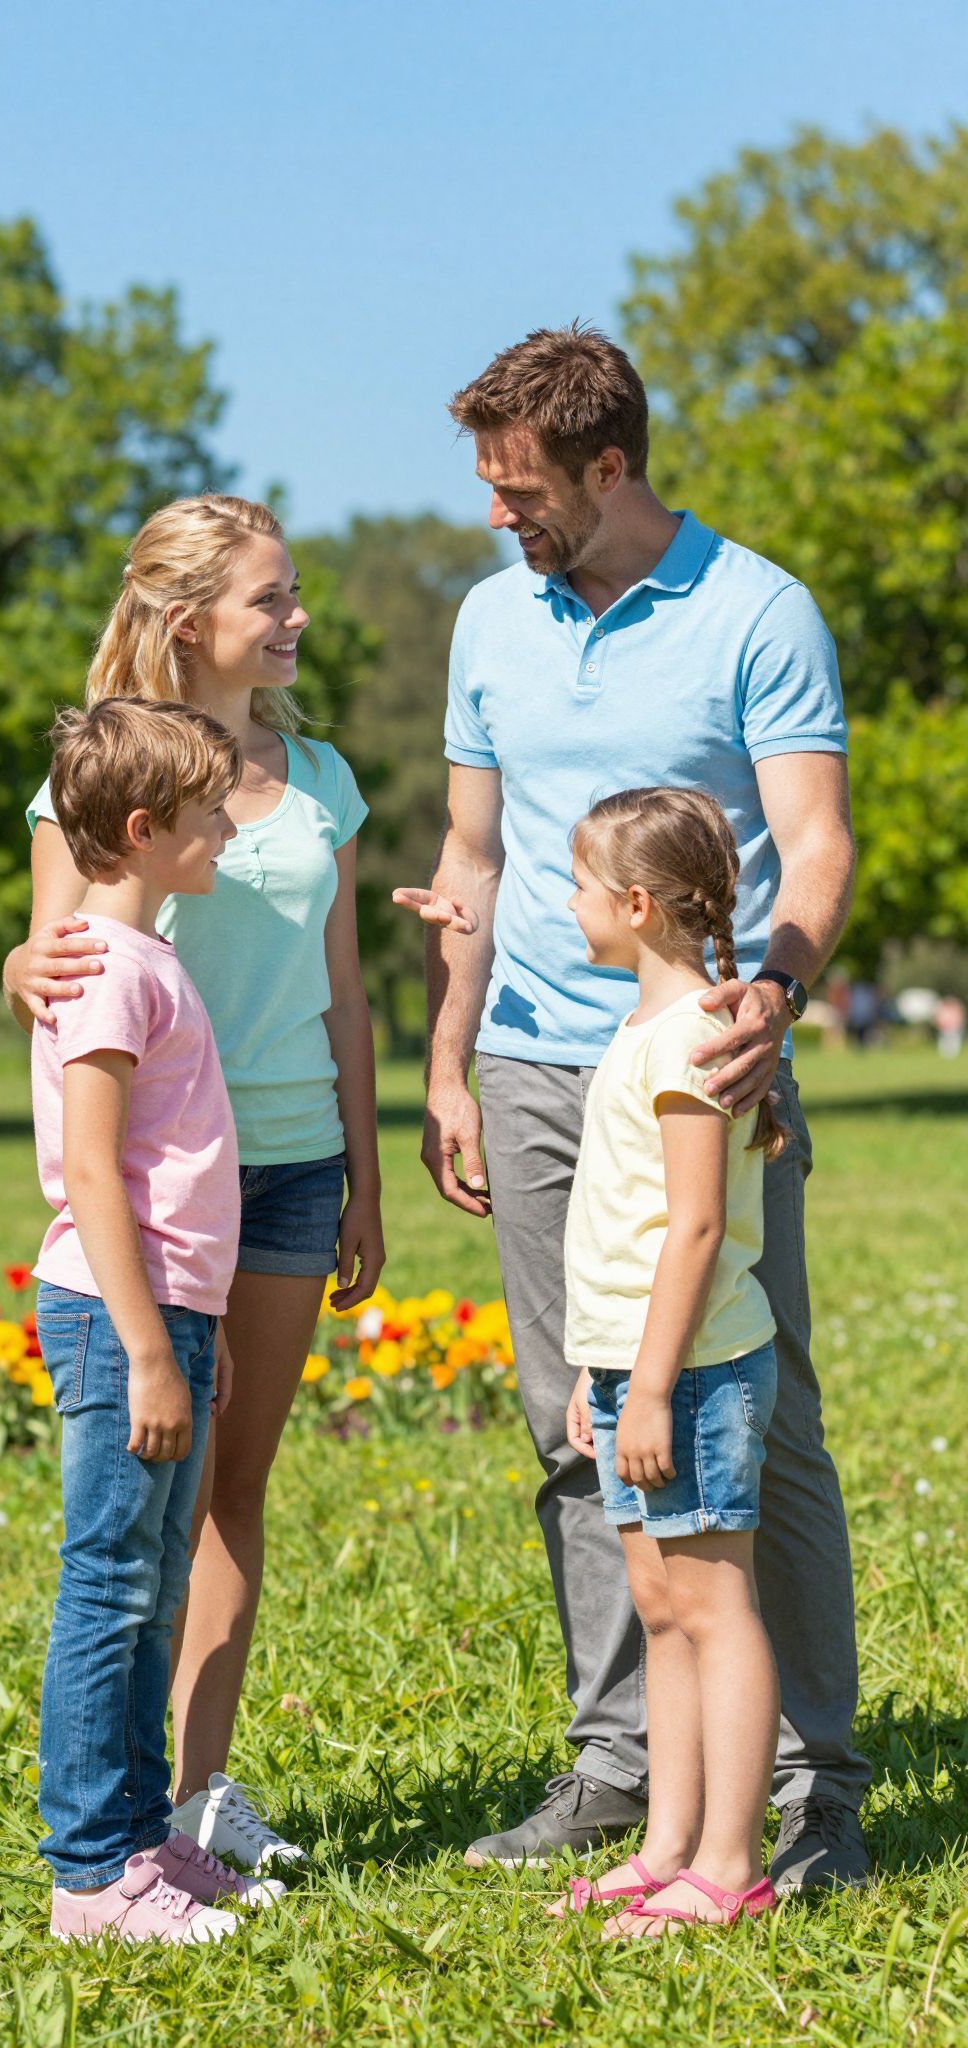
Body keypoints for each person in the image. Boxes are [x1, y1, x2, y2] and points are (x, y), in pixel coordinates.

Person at [395, 323, 871, 1891]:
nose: (496, 515)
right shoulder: (490, 620)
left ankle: (810, 1780)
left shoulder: (757, 609)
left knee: (757, 1409)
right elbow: (474, 863)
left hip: (700, 1065)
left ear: (612, 466)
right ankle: (624, 1765)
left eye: (521, 487)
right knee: (575, 1424)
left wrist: (772, 1000)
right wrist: (450, 1057)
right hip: (537, 1066)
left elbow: (813, 846)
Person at [4, 496, 383, 1872]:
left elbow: (344, 993)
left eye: (294, 597)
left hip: (289, 1172)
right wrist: (7, 968)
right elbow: (63, 953)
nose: (296, 620)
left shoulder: (324, 776)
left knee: (234, 1485)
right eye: (272, 600)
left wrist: (365, 1175)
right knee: (142, 1507)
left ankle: (196, 1794)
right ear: (189, 623)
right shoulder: (108, 770)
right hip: (164, 1186)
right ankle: (115, 1828)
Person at [33, 695, 285, 1944]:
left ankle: (141, 1846)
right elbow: (92, 1173)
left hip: (165, 1316)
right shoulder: (108, 969)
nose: (227, 833)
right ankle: (91, 1875)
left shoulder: (139, 956)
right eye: (207, 817)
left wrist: (198, 1326)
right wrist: (146, 1346)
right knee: (114, 1591)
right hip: (115, 1319)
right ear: (143, 830)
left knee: (145, 1591)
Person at [548, 786, 782, 1937]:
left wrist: (646, 1382)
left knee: (714, 1600)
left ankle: (730, 1861)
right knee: (661, 1598)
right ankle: (670, 1843)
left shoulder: (694, 1033)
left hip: (691, 1369)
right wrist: (606, 1378)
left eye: (581, 882)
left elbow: (692, 1228)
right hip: (634, 1368)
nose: (570, 901)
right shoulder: (648, 1027)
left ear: (635, 904)